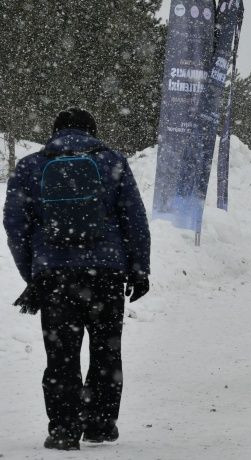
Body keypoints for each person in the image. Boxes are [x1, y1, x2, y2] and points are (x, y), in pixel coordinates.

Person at [3, 107, 151, 451]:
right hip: (106, 273)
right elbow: (134, 219)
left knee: (61, 355)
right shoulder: (112, 162)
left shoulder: (31, 166)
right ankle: (99, 424)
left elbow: (15, 226)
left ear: (54, 131)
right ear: (92, 131)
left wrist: (34, 273)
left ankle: (64, 430)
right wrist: (139, 268)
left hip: (54, 276)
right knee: (105, 351)